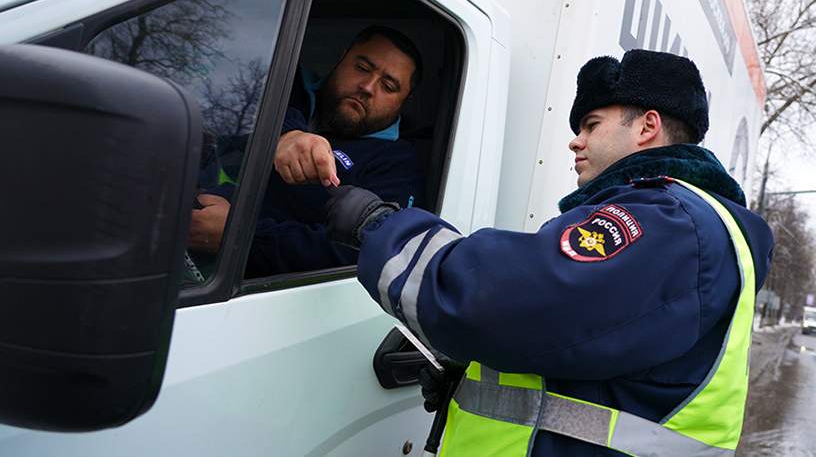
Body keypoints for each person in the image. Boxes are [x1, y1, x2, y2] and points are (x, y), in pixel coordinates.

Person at [324, 49, 774, 456]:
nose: (575, 141)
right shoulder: (680, 222)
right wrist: (473, 377)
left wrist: (380, 227)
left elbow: (506, 304)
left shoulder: (671, 222)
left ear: (647, 126)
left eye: (592, 125)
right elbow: (583, 353)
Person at [188, 26, 425, 277]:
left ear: (404, 101)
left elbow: (355, 255)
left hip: (230, 291)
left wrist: (242, 237)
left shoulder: (398, 165)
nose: (367, 86)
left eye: (388, 86)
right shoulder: (281, 78)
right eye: (362, 68)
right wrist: (287, 134)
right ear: (343, 57)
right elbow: (226, 96)